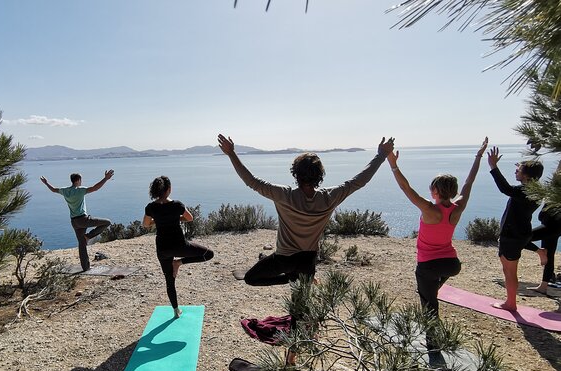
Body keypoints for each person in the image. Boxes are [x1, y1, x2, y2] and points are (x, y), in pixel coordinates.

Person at [217, 133, 394, 286]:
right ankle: (297, 282)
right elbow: (359, 181)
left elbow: (252, 181)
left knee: (251, 278)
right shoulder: (329, 198)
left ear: (295, 173)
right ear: (320, 175)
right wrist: (381, 156)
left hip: (284, 260)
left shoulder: (284, 195)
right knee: (300, 309)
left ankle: (288, 279)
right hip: (308, 262)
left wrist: (231, 154)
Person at [387, 137, 488, 347]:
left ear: (435, 191)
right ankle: (430, 294)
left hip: (428, 267)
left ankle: (433, 346)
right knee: (430, 292)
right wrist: (478, 156)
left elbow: (407, 189)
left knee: (430, 304)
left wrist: (393, 164)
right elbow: (469, 182)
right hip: (452, 265)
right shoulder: (457, 207)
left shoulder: (430, 210)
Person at [143, 176, 214, 318]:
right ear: (169, 189)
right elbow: (190, 218)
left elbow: (146, 224)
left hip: (162, 250)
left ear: (155, 191)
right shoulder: (177, 205)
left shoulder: (151, 207)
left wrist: (158, 221)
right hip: (180, 246)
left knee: (170, 281)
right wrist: (176, 218)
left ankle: (176, 311)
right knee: (208, 254)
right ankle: (179, 262)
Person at [488, 147, 544, 311]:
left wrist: (493, 167)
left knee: (509, 271)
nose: (515, 171)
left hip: (512, 236)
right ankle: (510, 301)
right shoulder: (535, 191)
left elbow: (505, 188)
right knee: (509, 270)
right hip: (521, 232)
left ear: (526, 176)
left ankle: (510, 303)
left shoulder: (524, 191)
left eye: (518, 170)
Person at [40, 170, 114, 271]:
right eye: (81, 180)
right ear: (78, 180)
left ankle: (85, 267)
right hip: (83, 219)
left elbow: (53, 189)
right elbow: (94, 188)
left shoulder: (65, 190)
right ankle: (88, 236)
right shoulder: (80, 190)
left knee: (82, 244)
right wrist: (105, 178)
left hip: (74, 222)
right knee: (107, 222)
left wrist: (46, 183)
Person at [524, 162, 561, 295]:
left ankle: (539, 251)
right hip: (553, 226)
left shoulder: (557, 188)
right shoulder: (555, 188)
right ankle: (543, 286)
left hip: (552, 225)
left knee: (521, 238)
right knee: (549, 254)